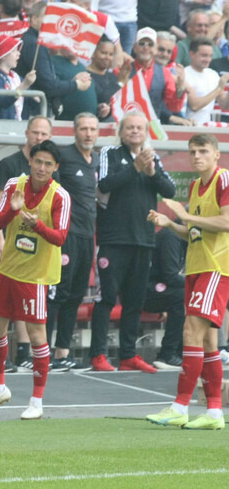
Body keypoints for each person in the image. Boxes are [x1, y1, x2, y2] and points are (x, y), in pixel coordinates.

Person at [0, 140, 71, 420]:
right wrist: (13, 210)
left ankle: (36, 401)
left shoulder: (60, 196)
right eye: (38, 161)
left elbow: (60, 237)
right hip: (8, 269)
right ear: (30, 161)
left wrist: (36, 225)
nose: (41, 168)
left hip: (35, 276)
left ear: (55, 167)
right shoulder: (13, 185)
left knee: (37, 335)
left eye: (48, 164)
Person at [146, 133, 229, 430]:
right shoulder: (195, 186)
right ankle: (214, 413)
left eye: (203, 151)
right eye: (192, 151)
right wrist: (171, 223)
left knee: (190, 331)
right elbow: (194, 233)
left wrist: (186, 216)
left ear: (216, 154)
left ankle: (180, 406)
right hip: (195, 268)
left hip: (215, 267)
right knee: (207, 342)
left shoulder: (223, 180)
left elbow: (226, 222)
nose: (196, 156)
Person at [90, 112, 176, 372]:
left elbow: (170, 190)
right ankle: (98, 354)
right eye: (130, 127)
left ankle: (128, 355)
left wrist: (152, 172)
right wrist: (135, 168)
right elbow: (104, 184)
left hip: (144, 240)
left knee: (135, 301)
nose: (135, 131)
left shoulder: (152, 156)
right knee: (106, 299)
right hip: (114, 240)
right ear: (121, 131)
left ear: (146, 132)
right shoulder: (110, 153)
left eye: (139, 127)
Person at [0, 116, 52, 370]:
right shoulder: (9, 164)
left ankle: (25, 353)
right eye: (35, 133)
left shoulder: (50, 168)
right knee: (3, 306)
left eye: (44, 134)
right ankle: (1, 360)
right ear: (26, 133)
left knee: (29, 301)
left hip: (36, 247)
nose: (39, 137)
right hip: (11, 243)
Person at [47, 112, 98, 371]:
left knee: (77, 294)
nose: (88, 133)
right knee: (58, 293)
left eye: (92, 129)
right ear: (74, 131)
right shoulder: (64, 157)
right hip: (66, 236)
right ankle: (42, 352)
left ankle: (62, 353)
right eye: (83, 129)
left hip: (88, 236)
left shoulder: (96, 160)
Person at [16, 1, 93, 118]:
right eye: (49, 18)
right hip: (33, 113)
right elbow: (49, 86)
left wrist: (72, 82)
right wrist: (76, 84)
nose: (53, 23)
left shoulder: (36, 42)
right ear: (34, 19)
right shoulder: (34, 44)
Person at [143, 222, 186, 370]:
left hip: (159, 287)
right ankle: (167, 354)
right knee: (182, 296)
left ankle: (182, 352)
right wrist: (197, 283)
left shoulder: (181, 238)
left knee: (192, 295)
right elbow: (170, 276)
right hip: (144, 290)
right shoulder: (171, 236)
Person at [124, 27, 189, 125]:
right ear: (134, 47)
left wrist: (180, 87)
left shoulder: (165, 73)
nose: (146, 47)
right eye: (142, 44)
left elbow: (174, 107)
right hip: (127, 125)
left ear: (155, 48)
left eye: (150, 44)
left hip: (152, 126)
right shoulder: (124, 69)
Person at [0, 36, 35, 119]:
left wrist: (36, 98)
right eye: (14, 51)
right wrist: (24, 85)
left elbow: (31, 102)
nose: (19, 53)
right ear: (3, 55)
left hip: (17, 124)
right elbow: (3, 101)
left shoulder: (16, 77)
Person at [184, 37, 229, 123]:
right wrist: (219, 88)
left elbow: (224, 105)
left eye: (210, 56)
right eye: (204, 55)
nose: (208, 60)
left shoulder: (213, 74)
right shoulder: (185, 74)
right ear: (192, 54)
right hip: (188, 126)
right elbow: (194, 106)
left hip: (207, 127)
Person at [86, 36, 120, 119]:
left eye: (111, 54)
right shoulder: (84, 75)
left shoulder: (113, 77)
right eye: (104, 53)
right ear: (93, 53)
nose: (107, 57)